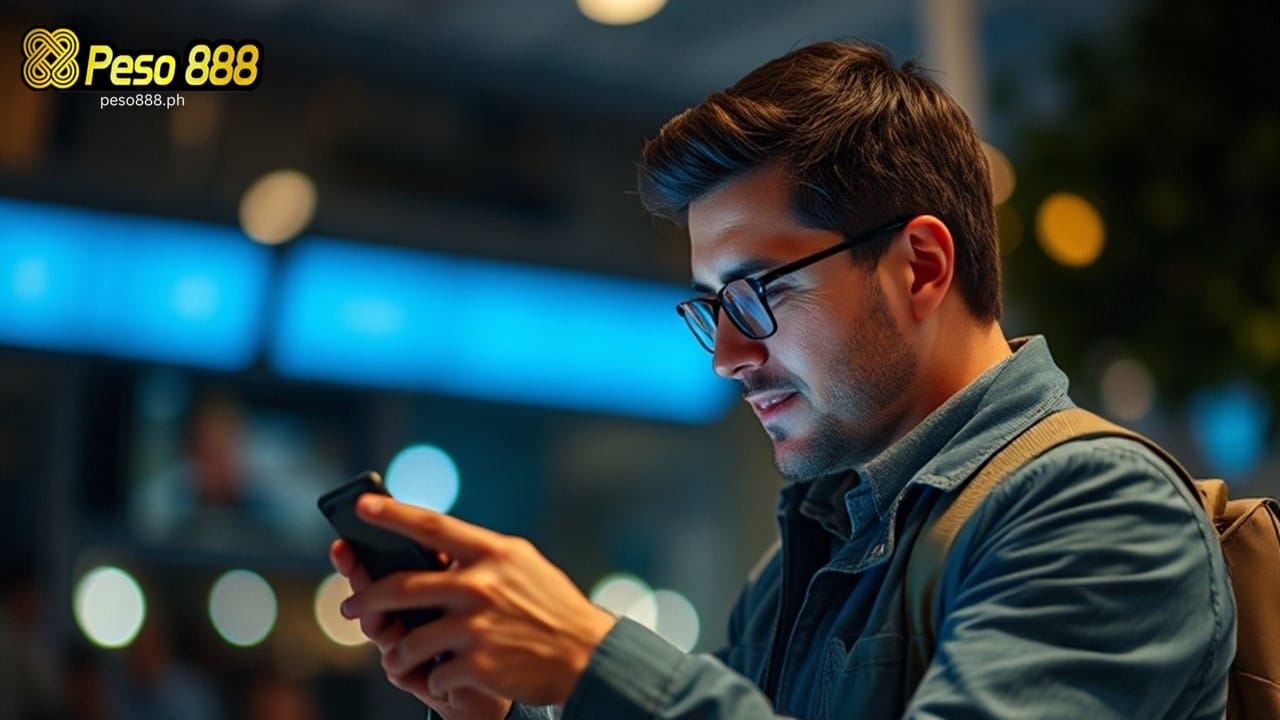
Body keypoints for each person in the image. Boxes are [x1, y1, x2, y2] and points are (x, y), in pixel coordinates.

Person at [330, 40, 1237, 719]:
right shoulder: (813, 552)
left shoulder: (1098, 506)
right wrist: (506, 703)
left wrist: (591, 657)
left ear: (920, 266)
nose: (726, 353)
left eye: (758, 293)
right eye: (708, 307)